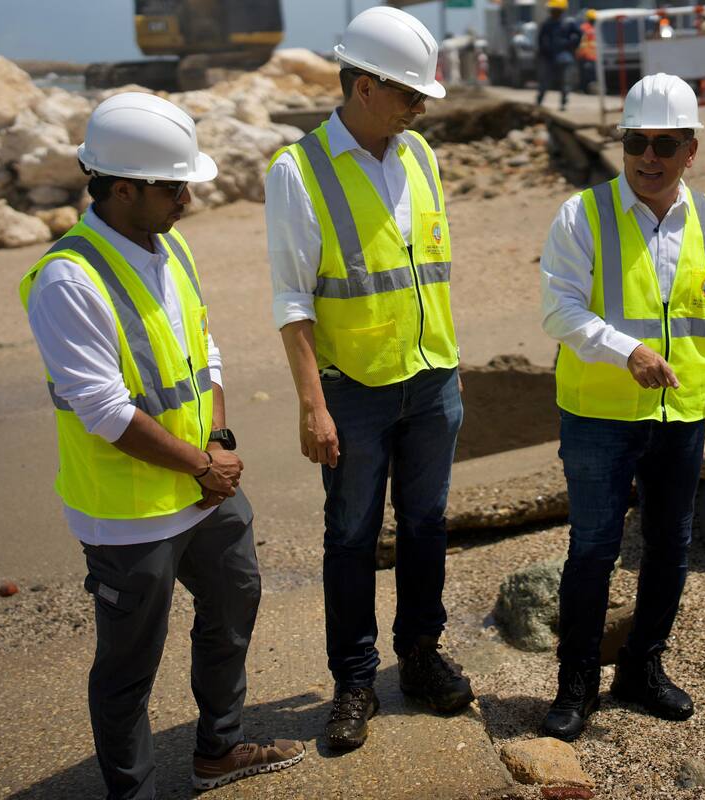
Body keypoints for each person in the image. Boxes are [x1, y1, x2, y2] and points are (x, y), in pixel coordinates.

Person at [19, 92, 304, 798]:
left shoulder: (169, 245)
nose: (188, 198)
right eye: (174, 186)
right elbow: (105, 413)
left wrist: (218, 441)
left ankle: (218, 749)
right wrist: (206, 466)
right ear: (122, 189)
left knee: (234, 603)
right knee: (128, 667)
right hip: (127, 513)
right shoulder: (67, 280)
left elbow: (203, 352)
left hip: (205, 489)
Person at [537, 73, 705, 741]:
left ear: (690, 150)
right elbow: (560, 310)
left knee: (669, 548)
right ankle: (576, 682)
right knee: (592, 549)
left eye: (664, 144)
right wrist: (626, 352)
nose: (648, 156)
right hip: (598, 418)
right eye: (635, 141)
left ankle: (641, 669)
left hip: (680, 418)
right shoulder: (581, 216)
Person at [264, 5, 474, 753]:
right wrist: (311, 406)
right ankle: (355, 681)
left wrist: (449, 370)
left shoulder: (419, 155)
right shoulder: (299, 173)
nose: (420, 109)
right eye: (410, 94)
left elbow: (426, 271)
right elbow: (293, 303)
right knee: (350, 538)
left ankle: (418, 655)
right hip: (352, 391)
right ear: (361, 87)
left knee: (426, 528)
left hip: (432, 381)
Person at [536, 0, 582, 111]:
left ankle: (563, 103)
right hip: (549, 58)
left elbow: (578, 35)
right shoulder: (547, 24)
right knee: (545, 82)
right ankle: (539, 103)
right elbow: (541, 40)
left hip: (564, 57)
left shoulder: (569, 23)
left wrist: (571, 44)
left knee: (565, 82)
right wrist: (544, 51)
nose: (552, 12)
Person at [575, 9, 598, 93]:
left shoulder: (589, 27)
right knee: (586, 74)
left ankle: (586, 89)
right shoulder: (586, 27)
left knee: (587, 74)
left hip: (590, 55)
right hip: (586, 55)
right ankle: (584, 89)